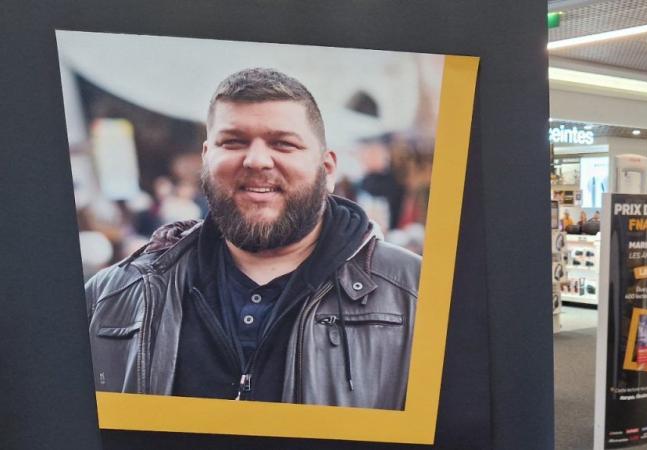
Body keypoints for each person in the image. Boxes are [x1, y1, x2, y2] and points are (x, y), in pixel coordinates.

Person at [85, 68, 420, 411]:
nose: (257, 160)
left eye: (283, 143)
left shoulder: (418, 294)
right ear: (206, 158)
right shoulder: (110, 297)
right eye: (233, 141)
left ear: (328, 169)